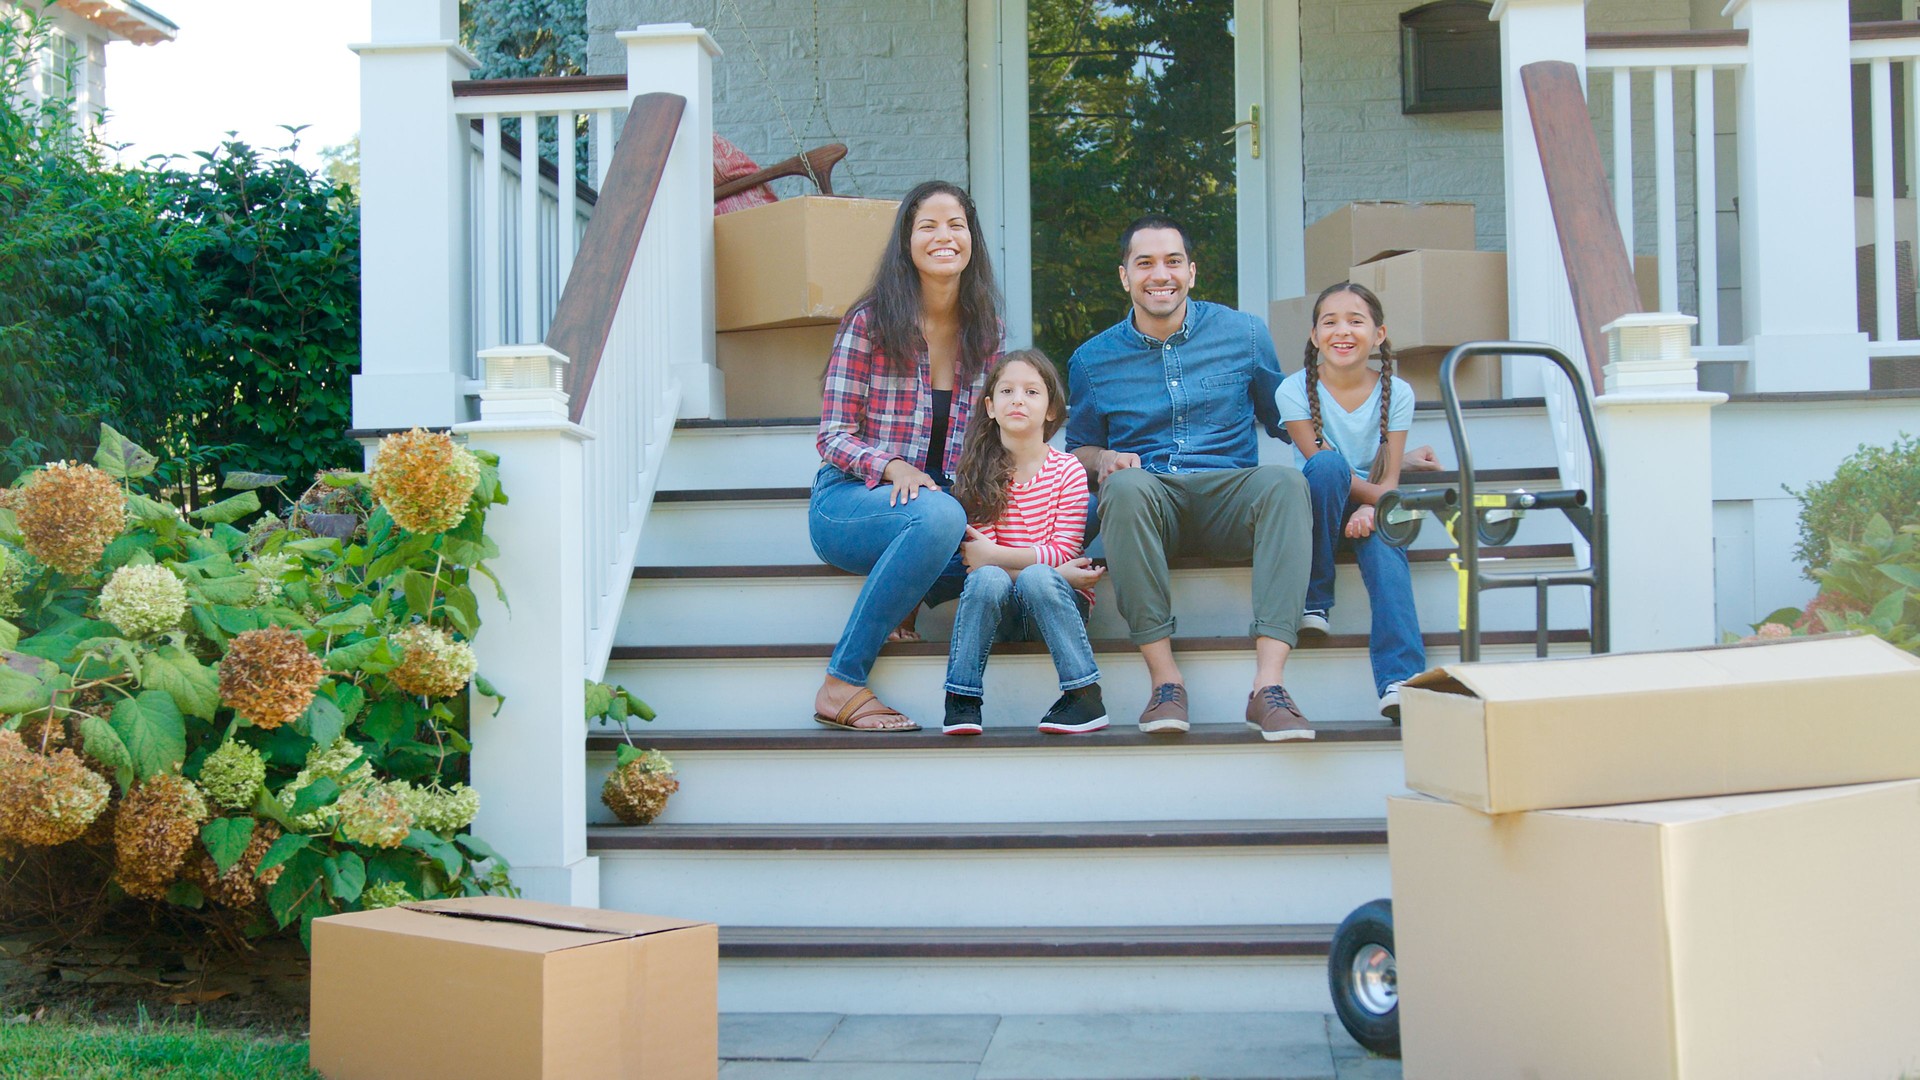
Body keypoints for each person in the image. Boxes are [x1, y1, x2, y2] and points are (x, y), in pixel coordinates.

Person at [1065, 214, 1316, 742]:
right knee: (1125, 487)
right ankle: (1165, 682)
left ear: (1192, 271)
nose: (1162, 274)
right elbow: (1078, 448)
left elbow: (1287, 420)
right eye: (1146, 263)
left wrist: (1381, 455)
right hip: (1152, 502)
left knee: (1286, 483)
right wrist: (1104, 459)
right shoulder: (1091, 359)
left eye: (1173, 261)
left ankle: (1268, 688)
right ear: (1124, 276)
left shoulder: (1245, 334)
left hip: (1231, 496)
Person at [808, 180, 1002, 732]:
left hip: (939, 503)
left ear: (972, 239)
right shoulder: (870, 321)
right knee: (941, 515)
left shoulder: (987, 331)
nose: (944, 236)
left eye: (956, 225)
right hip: (851, 500)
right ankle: (841, 681)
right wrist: (892, 466)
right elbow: (833, 435)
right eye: (928, 225)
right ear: (907, 241)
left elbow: (989, 438)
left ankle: (909, 596)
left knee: (1024, 534)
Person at [1278, 282, 1426, 721]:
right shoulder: (1292, 390)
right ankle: (1314, 598)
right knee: (1326, 470)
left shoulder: (1397, 393)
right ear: (1313, 335)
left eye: (1356, 321)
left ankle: (1400, 680)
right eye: (1330, 321)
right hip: (1318, 504)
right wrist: (1380, 500)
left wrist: (1374, 507)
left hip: (1374, 500)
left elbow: (1391, 473)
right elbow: (1325, 466)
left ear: (1379, 334)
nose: (1342, 331)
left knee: (1386, 551)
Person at [942, 350, 1108, 736]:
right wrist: (1050, 568)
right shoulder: (979, 471)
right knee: (987, 582)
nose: (1018, 399)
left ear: (1051, 410)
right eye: (1007, 391)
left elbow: (1063, 550)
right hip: (1001, 610)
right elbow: (982, 567)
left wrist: (1006, 559)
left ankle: (1084, 694)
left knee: (1036, 579)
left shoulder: (1067, 470)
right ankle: (962, 698)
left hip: (1058, 606)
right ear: (990, 406)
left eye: (1032, 392)